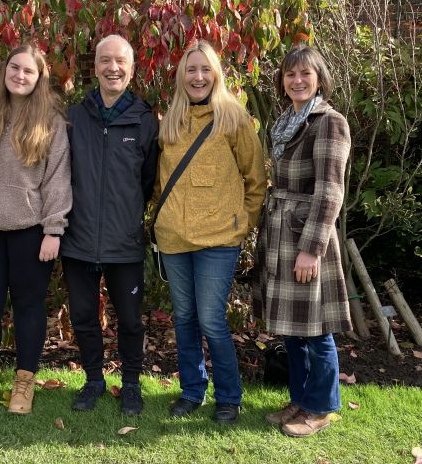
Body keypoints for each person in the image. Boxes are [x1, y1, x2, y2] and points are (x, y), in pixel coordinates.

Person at [155, 40, 266, 424]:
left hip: (218, 239)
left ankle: (229, 397)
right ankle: (191, 391)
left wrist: (242, 223)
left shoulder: (233, 118)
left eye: (205, 69)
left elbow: (256, 180)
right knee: (184, 318)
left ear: (216, 74)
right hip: (173, 238)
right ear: (181, 77)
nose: (198, 76)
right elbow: (159, 183)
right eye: (191, 69)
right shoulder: (169, 120)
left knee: (212, 321)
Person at [0, 44, 72, 415]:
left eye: (29, 71)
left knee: (28, 309)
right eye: (15, 68)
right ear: (5, 70)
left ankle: (24, 381)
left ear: (39, 77)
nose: (20, 76)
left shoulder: (52, 121)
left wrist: (53, 230)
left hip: (30, 230)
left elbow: (58, 178)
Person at [252, 44, 352, 437]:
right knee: (291, 329)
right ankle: (300, 398)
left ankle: (322, 407)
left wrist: (311, 248)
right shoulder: (288, 120)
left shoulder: (329, 122)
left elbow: (330, 190)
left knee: (315, 329)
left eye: (305, 74)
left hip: (306, 237)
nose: (297, 80)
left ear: (319, 78)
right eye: (290, 74)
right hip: (280, 231)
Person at [60, 34, 159, 416]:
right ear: (95, 66)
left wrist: (125, 214)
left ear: (131, 69)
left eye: (120, 61)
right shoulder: (75, 116)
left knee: (131, 320)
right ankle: (94, 381)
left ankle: (131, 383)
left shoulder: (144, 120)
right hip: (78, 239)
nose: (112, 68)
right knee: (84, 317)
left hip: (124, 241)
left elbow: (148, 181)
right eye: (105, 60)